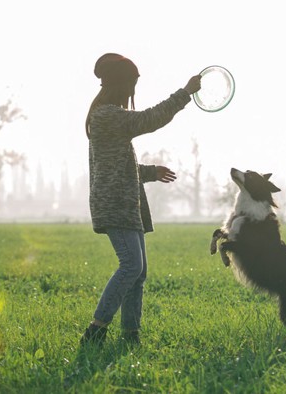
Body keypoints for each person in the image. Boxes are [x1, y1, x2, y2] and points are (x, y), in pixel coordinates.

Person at [81, 53, 201, 345]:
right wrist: (185, 93)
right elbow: (150, 119)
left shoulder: (107, 116)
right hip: (115, 204)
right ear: (121, 84)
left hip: (127, 204)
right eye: (132, 84)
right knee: (131, 266)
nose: (133, 91)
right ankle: (96, 330)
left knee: (139, 272)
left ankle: (130, 335)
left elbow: (115, 164)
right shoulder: (107, 115)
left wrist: (148, 172)